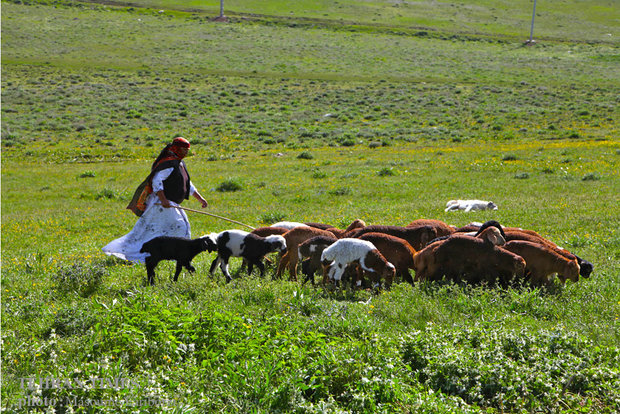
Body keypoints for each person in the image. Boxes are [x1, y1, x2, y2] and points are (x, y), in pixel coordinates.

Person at [102, 137, 208, 262]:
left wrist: (200, 199)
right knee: (178, 226)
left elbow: (186, 183)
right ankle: (171, 254)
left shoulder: (179, 163)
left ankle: (169, 254)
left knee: (172, 228)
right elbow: (156, 181)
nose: (186, 152)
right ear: (175, 149)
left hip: (170, 203)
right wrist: (163, 200)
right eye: (183, 149)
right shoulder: (168, 163)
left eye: (187, 150)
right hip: (161, 204)